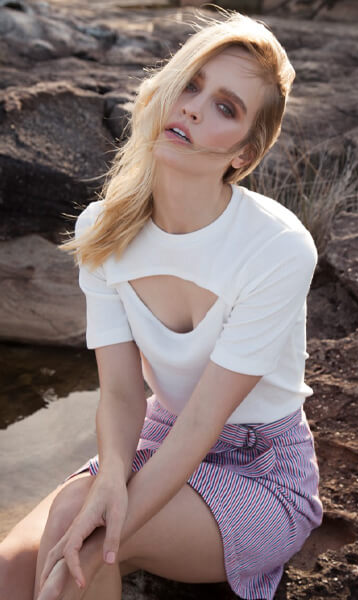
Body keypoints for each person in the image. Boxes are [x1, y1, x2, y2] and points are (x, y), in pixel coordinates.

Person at [0, 10, 323, 600]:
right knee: (9, 571)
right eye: (190, 86)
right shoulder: (103, 228)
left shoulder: (276, 248)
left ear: (244, 153)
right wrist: (111, 476)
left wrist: (105, 514)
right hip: (155, 437)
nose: (193, 109)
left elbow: (203, 422)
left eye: (225, 107)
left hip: (260, 470)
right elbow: (123, 393)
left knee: (84, 546)